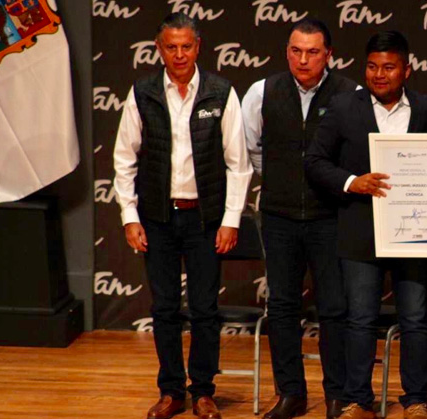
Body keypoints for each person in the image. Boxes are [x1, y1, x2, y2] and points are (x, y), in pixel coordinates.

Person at [112, 12, 252, 419]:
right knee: (165, 309)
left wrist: (230, 220)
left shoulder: (221, 92)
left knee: (205, 309)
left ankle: (204, 392)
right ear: (159, 49)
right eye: (171, 47)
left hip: (205, 219)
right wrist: (129, 215)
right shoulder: (142, 93)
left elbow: (238, 163)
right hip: (157, 217)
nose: (179, 54)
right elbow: (124, 159)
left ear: (198, 47)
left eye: (186, 46)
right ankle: (171, 391)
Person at [305, 30, 427, 419]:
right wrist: (351, 182)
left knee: (415, 320)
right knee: (360, 320)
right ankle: (358, 400)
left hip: (415, 232)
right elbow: (315, 161)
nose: (380, 74)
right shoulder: (344, 106)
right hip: (360, 230)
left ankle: (416, 400)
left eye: (389, 67)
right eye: (373, 66)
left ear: (406, 70)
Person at [241, 18, 358, 419]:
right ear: (286, 52)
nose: (303, 60)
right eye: (296, 51)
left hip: (331, 216)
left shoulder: (350, 94)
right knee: (282, 307)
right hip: (279, 216)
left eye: (312, 52)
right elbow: (251, 150)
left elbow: (355, 155)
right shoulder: (262, 91)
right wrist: (282, 179)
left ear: (329, 55)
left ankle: (337, 395)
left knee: (334, 308)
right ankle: (291, 393)